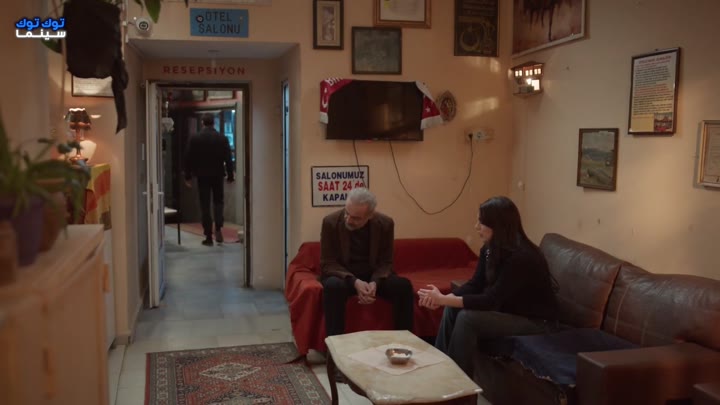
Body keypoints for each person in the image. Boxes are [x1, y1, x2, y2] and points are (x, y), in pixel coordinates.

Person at [418, 196, 558, 377]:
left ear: (498, 225)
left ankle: (456, 382)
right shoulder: (490, 248)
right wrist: (444, 299)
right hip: (509, 311)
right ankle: (440, 370)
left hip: (536, 322)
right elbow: (475, 284)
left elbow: (491, 300)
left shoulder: (523, 257)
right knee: (452, 309)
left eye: (481, 222)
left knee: (467, 318)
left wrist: (444, 299)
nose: (476, 226)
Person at [320, 187, 414, 338]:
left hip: (373, 275)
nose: (348, 220)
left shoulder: (385, 223)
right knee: (333, 286)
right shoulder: (330, 222)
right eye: (347, 213)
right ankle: (335, 344)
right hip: (343, 276)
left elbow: (386, 262)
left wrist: (375, 283)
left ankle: (404, 341)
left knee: (403, 285)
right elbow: (327, 263)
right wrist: (354, 281)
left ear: (370, 215)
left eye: (356, 218)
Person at [184, 113, 235, 246]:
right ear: (213, 123)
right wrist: (230, 175)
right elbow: (228, 158)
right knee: (218, 202)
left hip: (202, 176)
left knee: (205, 204)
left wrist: (188, 176)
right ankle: (218, 227)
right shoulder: (222, 138)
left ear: (202, 123)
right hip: (218, 175)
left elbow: (188, 158)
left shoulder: (195, 138)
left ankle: (208, 235)